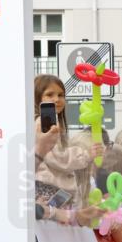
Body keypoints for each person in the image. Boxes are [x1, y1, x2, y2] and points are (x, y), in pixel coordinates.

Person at [33, 74, 102, 204]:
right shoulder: (43, 122)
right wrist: (86, 155)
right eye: (49, 94)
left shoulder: (45, 121)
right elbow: (56, 156)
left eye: (60, 95)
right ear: (37, 97)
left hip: (50, 188)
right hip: (48, 188)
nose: (56, 99)